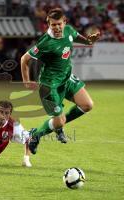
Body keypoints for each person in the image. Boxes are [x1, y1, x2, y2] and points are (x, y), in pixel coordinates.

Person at [20, 8, 100, 154]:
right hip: (49, 85)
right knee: (59, 120)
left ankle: (58, 125)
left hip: (66, 78)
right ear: (48, 24)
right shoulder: (46, 42)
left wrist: (90, 41)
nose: (56, 27)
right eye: (53, 25)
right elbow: (24, 59)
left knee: (87, 105)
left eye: (59, 24)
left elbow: (86, 41)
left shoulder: (69, 31)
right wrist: (26, 81)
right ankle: (35, 134)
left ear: (64, 22)